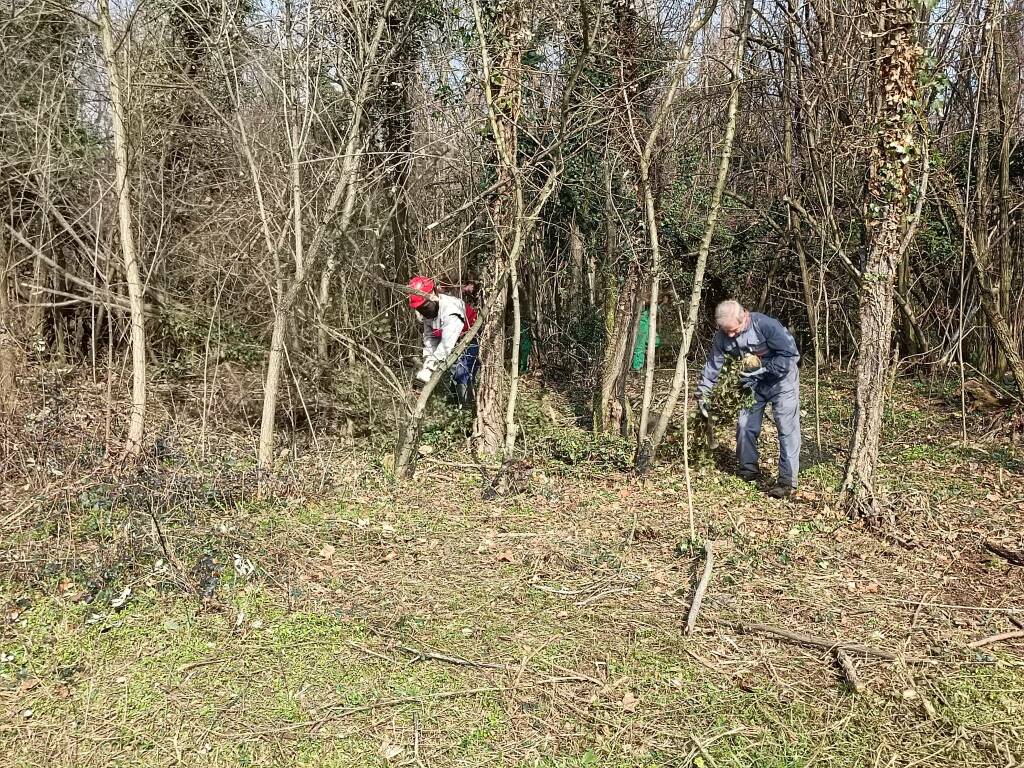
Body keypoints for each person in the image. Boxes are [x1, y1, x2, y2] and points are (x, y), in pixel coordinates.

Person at [696, 300, 801, 498]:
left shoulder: (766, 325)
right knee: (745, 425)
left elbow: (790, 355)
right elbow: (713, 366)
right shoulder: (723, 336)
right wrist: (704, 394)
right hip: (753, 384)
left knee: (787, 429)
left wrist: (764, 368)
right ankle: (748, 471)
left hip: (782, 382)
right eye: (726, 331)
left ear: (744, 315)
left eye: (734, 331)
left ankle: (787, 482)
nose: (730, 336)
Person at [407, 275, 479, 406]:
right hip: (453, 340)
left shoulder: (451, 310)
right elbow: (430, 338)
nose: (423, 311)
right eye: (420, 308)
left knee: (462, 373)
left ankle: (467, 409)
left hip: (471, 337)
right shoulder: (427, 313)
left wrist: (429, 369)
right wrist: (428, 362)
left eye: (425, 306)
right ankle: (455, 404)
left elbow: (446, 345)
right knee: (453, 373)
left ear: (433, 293)